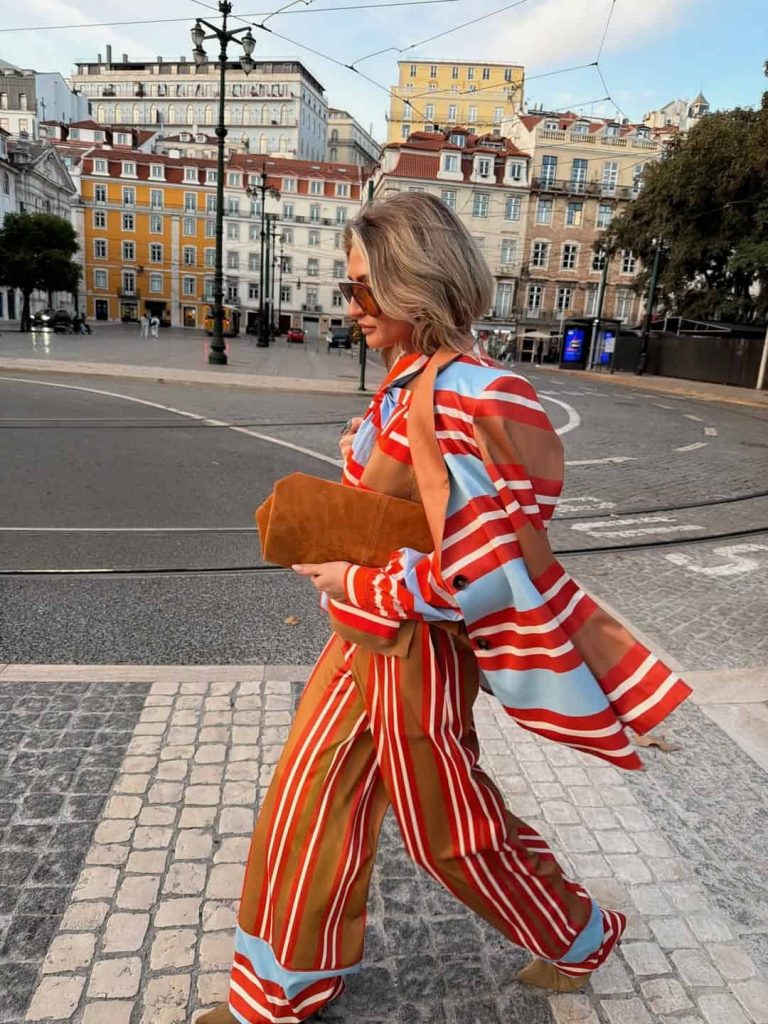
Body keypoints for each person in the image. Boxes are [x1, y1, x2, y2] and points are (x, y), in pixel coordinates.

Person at [200, 193, 690, 1024]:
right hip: (359, 645)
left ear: (416, 284)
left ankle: (578, 933)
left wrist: (354, 583)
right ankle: (276, 992)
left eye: (363, 290)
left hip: (416, 653)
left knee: (448, 831)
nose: (349, 307)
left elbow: (488, 573)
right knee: (304, 799)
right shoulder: (404, 387)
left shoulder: (477, 394)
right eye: (348, 288)